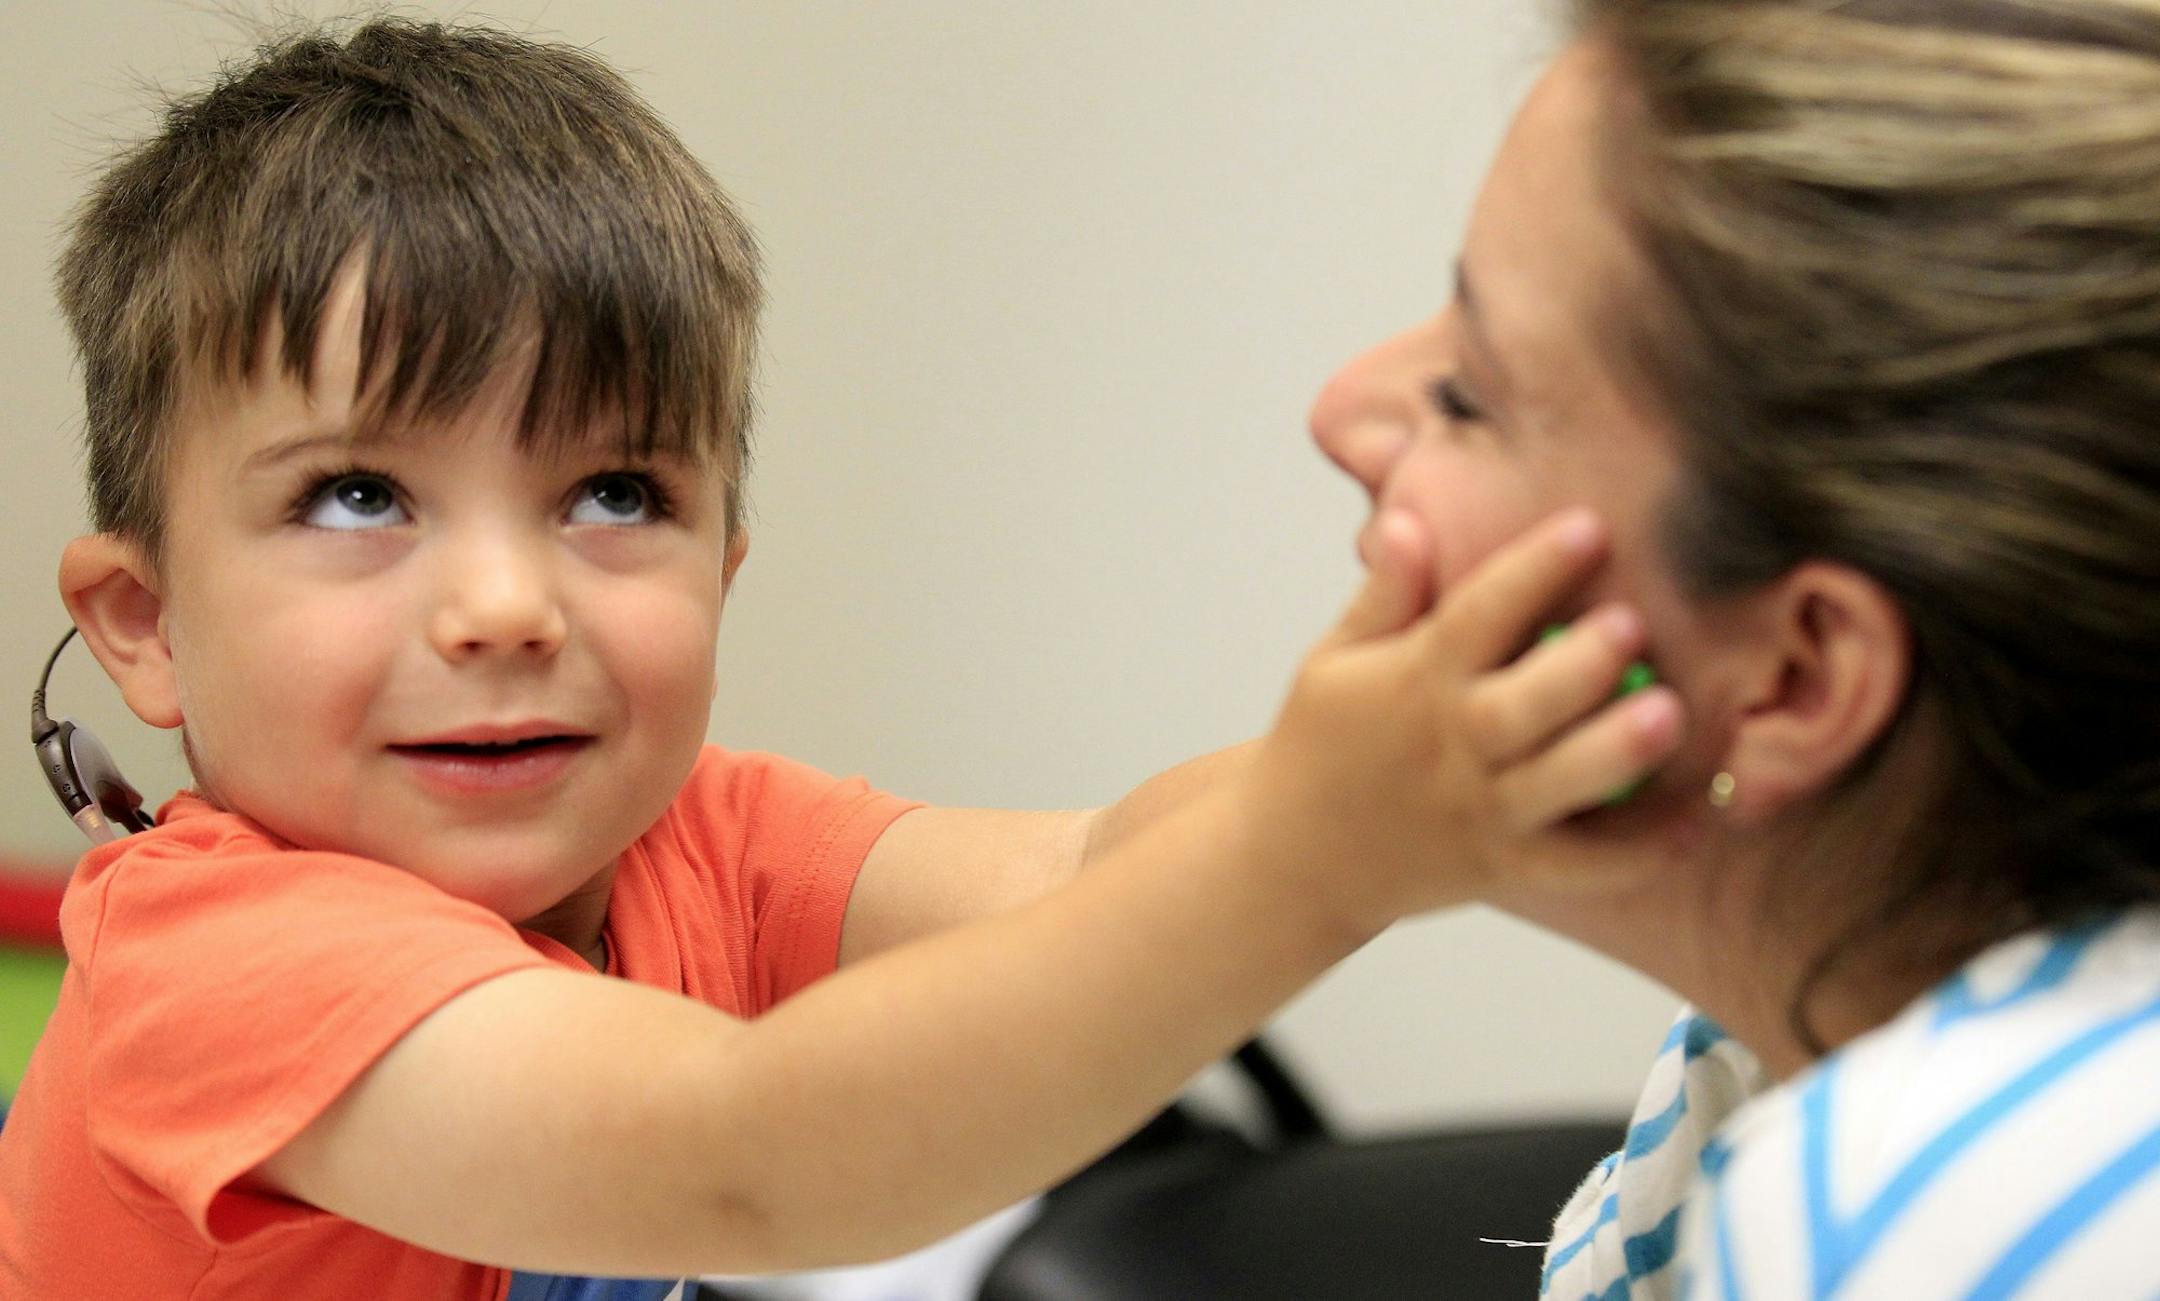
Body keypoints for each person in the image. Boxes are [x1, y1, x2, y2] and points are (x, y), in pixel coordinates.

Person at [0, 17, 1683, 1300]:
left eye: (612, 490)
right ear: (143, 623)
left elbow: (1092, 868)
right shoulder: (215, 966)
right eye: (360, 494)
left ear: (724, 564)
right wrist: (1332, 844)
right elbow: (742, 1161)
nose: (508, 604)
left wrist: (1446, 737)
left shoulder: (694, 841)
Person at [1310, 0, 2160, 1295]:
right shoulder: (1764, 1048)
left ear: (1796, 679)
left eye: (1471, 395)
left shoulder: (1914, 1192)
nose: (1343, 409)